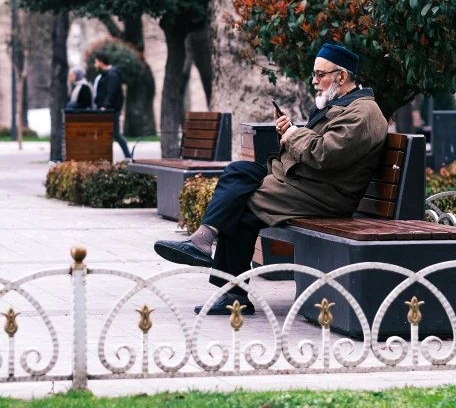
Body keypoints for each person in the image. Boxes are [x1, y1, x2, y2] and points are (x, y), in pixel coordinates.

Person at [154, 43, 388, 315]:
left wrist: (293, 135)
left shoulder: (363, 113)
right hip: (304, 182)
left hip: (325, 195)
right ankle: (203, 240)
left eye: (320, 75)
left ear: (342, 77)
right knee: (238, 172)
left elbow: (326, 155)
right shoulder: (341, 104)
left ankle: (231, 292)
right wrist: (290, 131)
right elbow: (319, 147)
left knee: (242, 206)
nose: (314, 81)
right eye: (314, 74)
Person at [93, 51, 131, 159]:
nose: (94, 64)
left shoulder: (112, 74)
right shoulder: (104, 74)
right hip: (106, 109)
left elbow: (111, 91)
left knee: (116, 133)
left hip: (111, 110)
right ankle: (124, 156)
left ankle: (128, 156)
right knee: (111, 133)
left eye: (96, 62)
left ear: (101, 62)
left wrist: (106, 105)